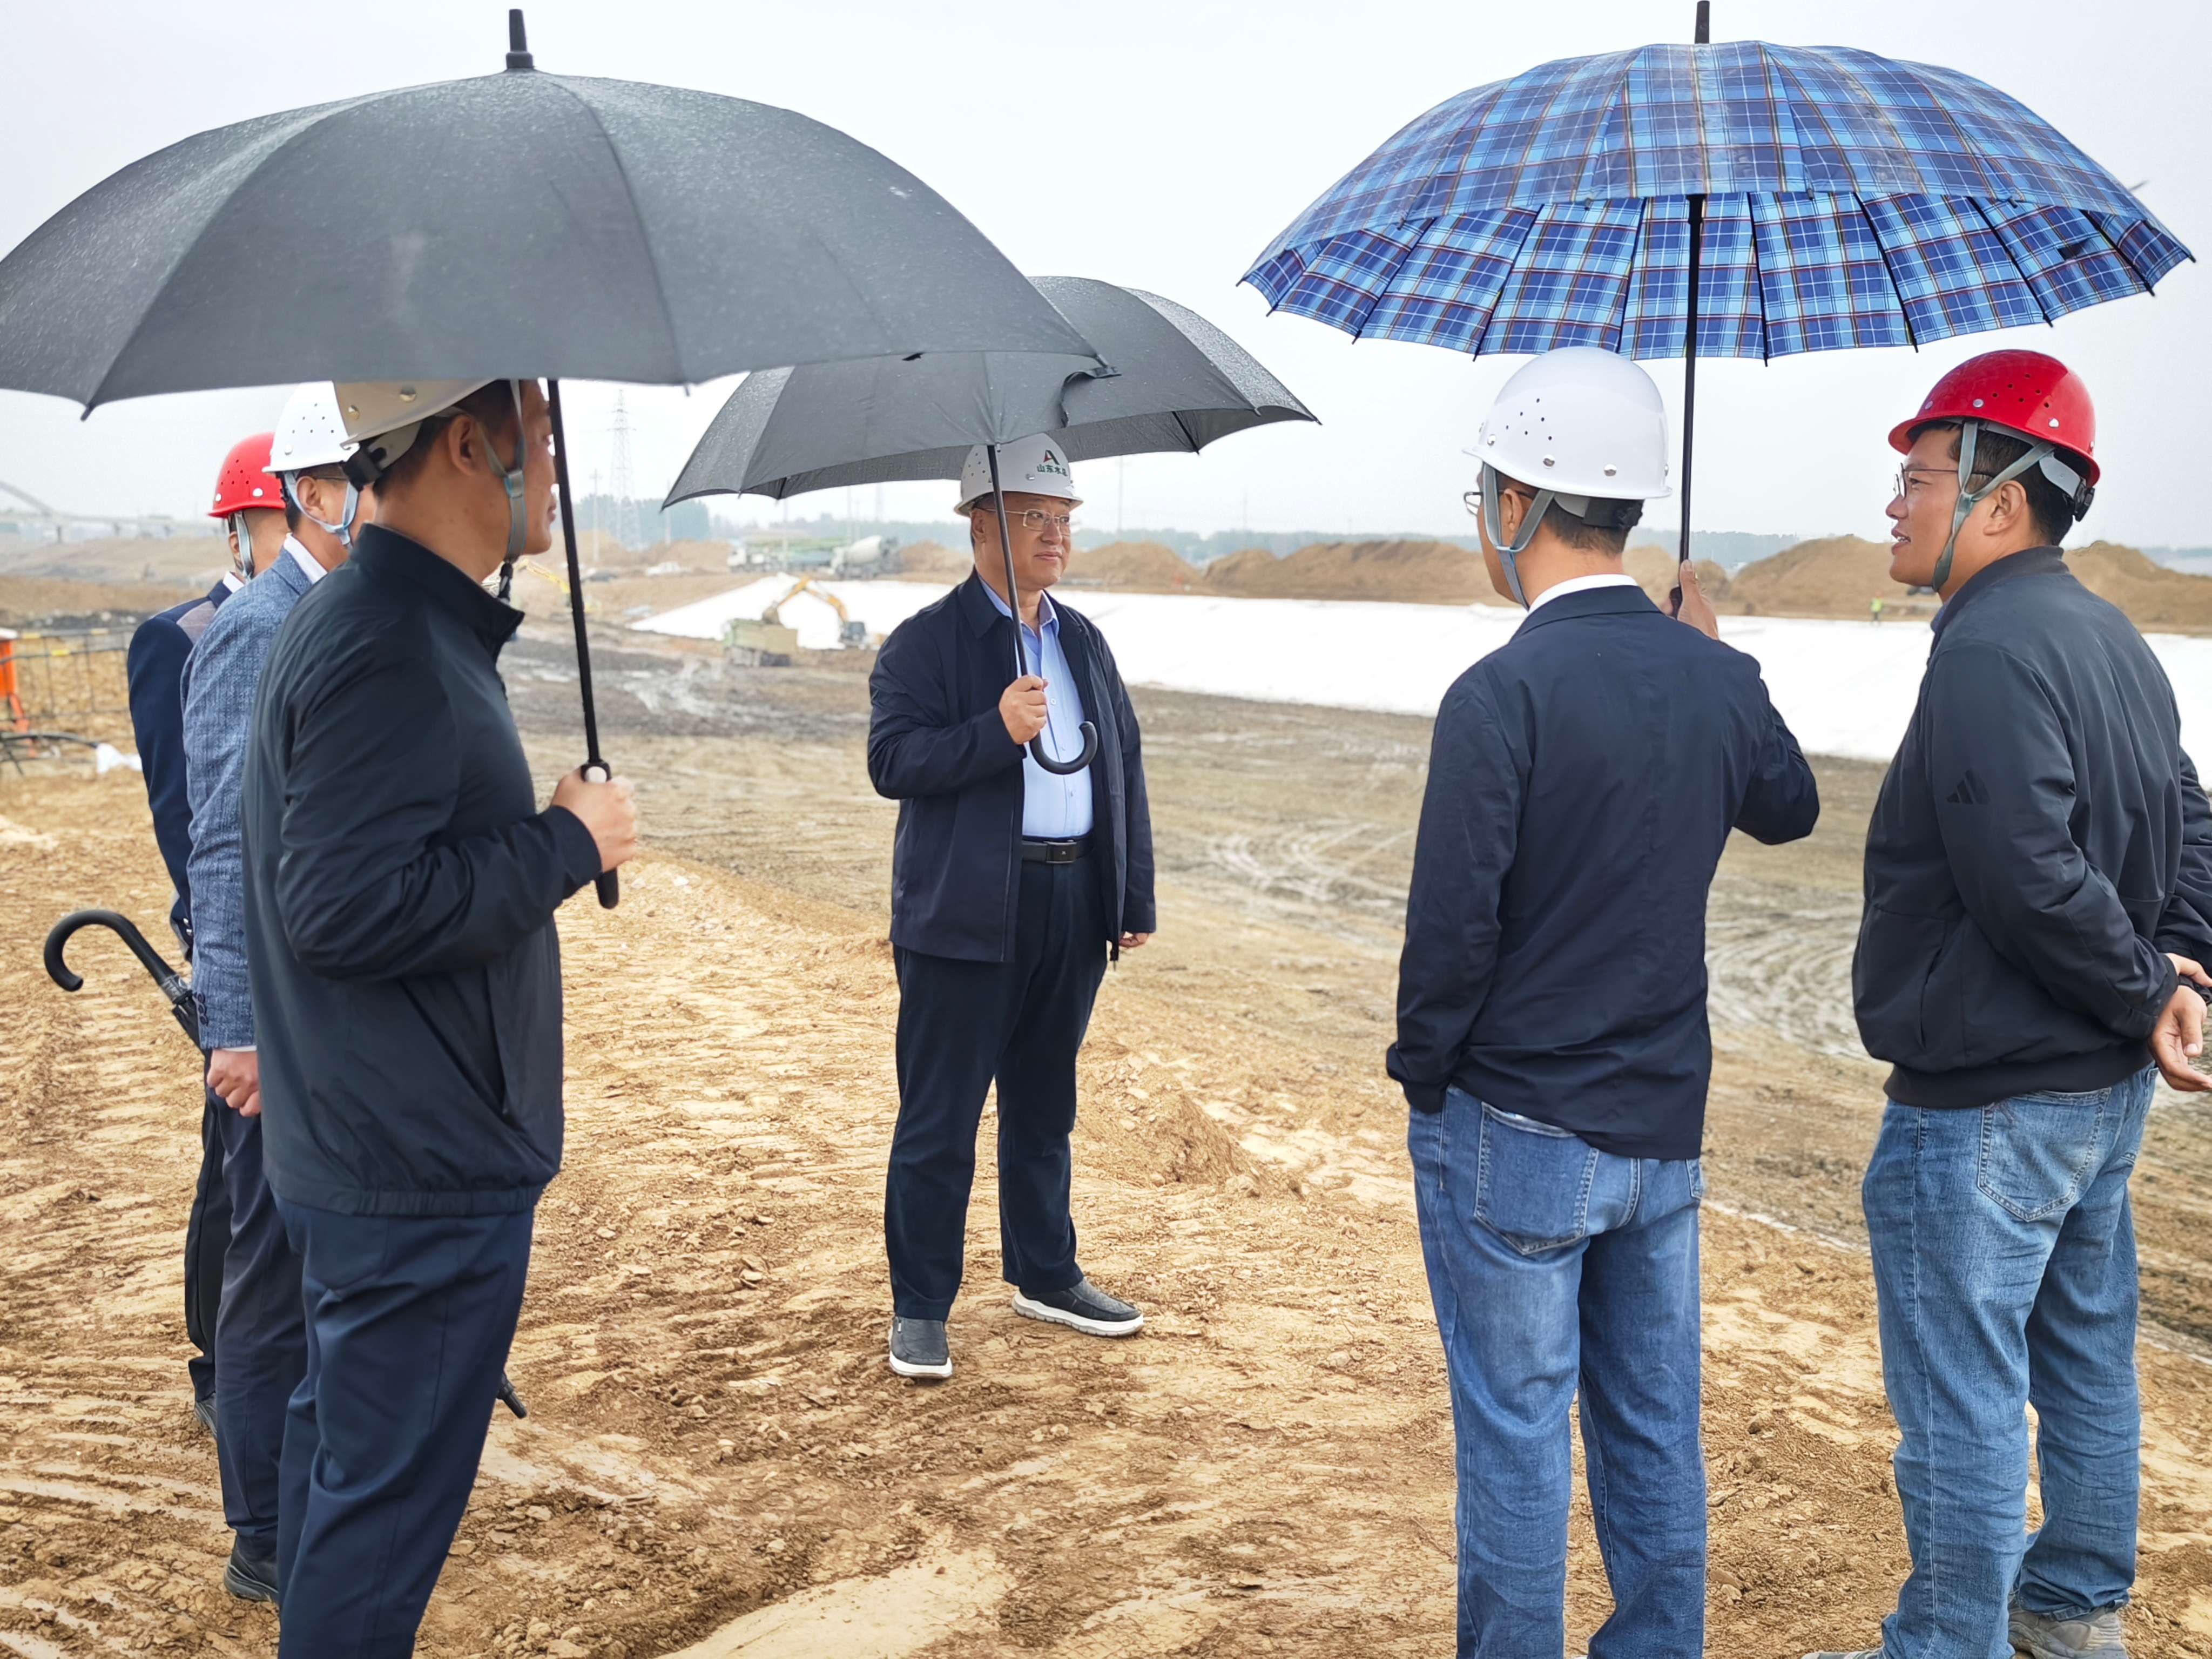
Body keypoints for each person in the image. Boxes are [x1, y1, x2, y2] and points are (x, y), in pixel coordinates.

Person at [1390, 347, 1818, 1658]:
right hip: (1661, 1128)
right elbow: (1788, 806)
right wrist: (1719, 662)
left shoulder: (1498, 694)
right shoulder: (1707, 679)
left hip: (1517, 1122)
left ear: (1517, 502)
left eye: (1485, 493)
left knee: (1516, 1437)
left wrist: (1424, 1078)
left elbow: (1450, 933)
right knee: (1651, 1426)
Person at [1808, 350, 2212, 1659]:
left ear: (1998, 500)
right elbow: (2189, 815)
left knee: (1961, 1397)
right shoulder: (2108, 636)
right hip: (2094, 1090)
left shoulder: (1988, 647)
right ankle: (2068, 1617)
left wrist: (2153, 979)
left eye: (1916, 478)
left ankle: (1951, 1646)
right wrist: (2175, 966)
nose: (1893, 504)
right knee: (2083, 1358)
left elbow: (2023, 870)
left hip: (1987, 1101)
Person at [239, 377, 638, 1650]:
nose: (559, 468)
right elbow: (344, 910)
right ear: (471, 445)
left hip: (380, 1143)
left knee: (347, 1474)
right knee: (379, 1523)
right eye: (545, 437)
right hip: (415, 1169)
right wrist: (565, 843)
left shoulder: (387, 617)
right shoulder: (389, 644)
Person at [867, 434, 1155, 1381]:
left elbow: (1124, 764)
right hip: (964, 914)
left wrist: (1129, 891)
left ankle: (1046, 1274)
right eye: (1034, 516)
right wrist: (993, 730)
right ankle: (921, 1307)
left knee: (1045, 1104)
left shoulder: (1082, 640)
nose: (1055, 535)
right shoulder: (924, 644)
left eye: (1064, 519)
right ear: (980, 524)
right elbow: (892, 762)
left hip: (1072, 902)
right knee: (940, 1118)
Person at [178, 383, 373, 1604]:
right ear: (311, 492)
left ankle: (314, 1486)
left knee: (324, 1266)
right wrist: (239, 1030)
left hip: (335, 1014)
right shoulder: (260, 627)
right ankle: (261, 1528)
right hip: (277, 1029)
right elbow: (222, 843)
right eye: (361, 474)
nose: (377, 495)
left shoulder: (341, 615)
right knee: (268, 1271)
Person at [123, 430, 287, 1439]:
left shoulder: (325, 624)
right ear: (239, 528)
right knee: (234, 1163)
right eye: (275, 517)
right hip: (235, 942)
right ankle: (218, 1359)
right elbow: (188, 817)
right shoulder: (181, 637)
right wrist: (220, 950)